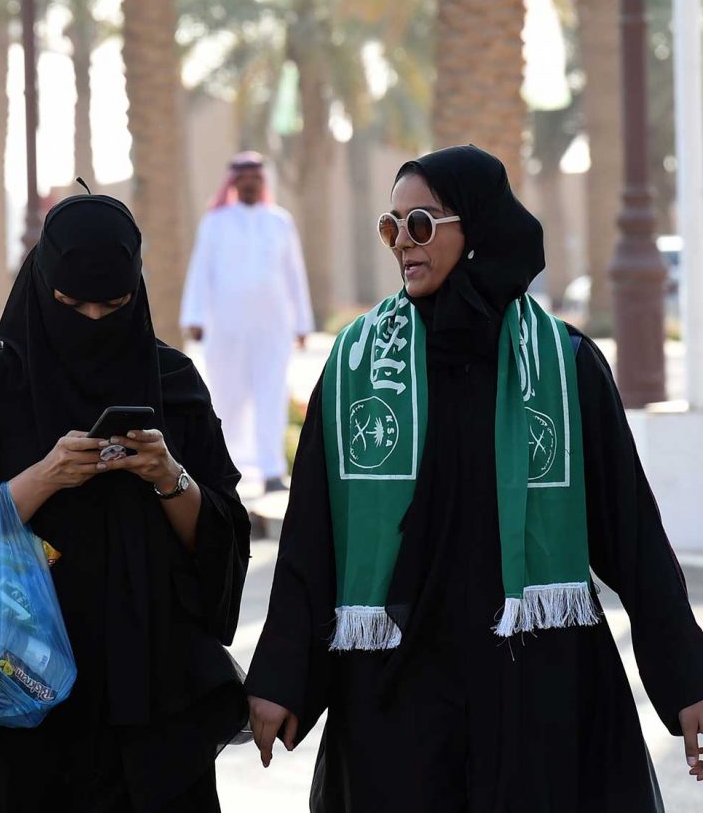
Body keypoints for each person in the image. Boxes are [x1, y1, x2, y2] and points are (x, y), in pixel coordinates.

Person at [244, 146, 703, 811]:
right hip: (398, 691)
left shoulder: (564, 365)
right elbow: (315, 533)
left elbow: (630, 532)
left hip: (535, 685)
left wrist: (688, 679)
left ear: (477, 227)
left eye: (422, 225)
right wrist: (282, 673)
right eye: (390, 227)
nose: (403, 243)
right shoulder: (354, 369)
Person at [0, 191, 251, 812]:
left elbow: (222, 538)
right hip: (19, 693)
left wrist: (168, 477)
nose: (91, 319)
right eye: (70, 303)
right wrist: (45, 477)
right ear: (41, 282)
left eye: (113, 304)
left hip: (151, 698)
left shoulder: (173, 382)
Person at [180, 151, 314, 493]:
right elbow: (201, 271)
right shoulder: (214, 223)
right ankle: (230, 471)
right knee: (228, 400)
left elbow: (294, 274)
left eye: (256, 176)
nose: (251, 182)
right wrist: (194, 317)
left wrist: (302, 323)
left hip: (273, 328)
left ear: (262, 182)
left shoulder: (280, 221)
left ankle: (272, 472)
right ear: (235, 182)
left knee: (271, 396)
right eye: (244, 177)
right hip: (226, 329)